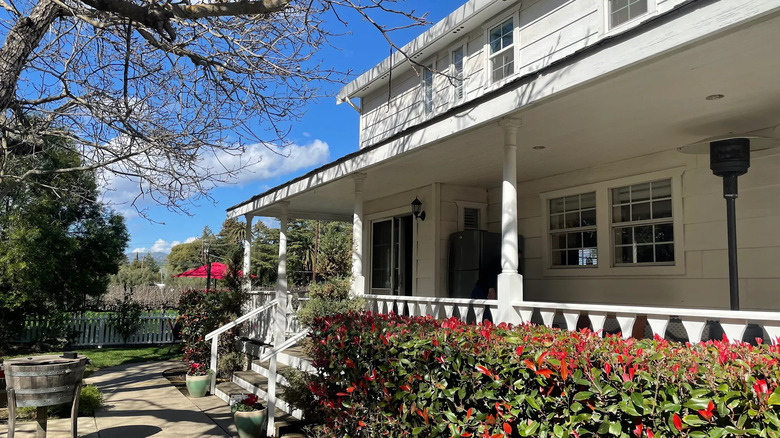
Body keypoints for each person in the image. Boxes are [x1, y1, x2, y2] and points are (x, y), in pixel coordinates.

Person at [470, 256, 501, 323]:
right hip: (482, 291)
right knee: (485, 316)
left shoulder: (494, 265)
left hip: (481, 290)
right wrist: (491, 288)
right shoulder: (496, 266)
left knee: (485, 315)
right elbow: (491, 276)